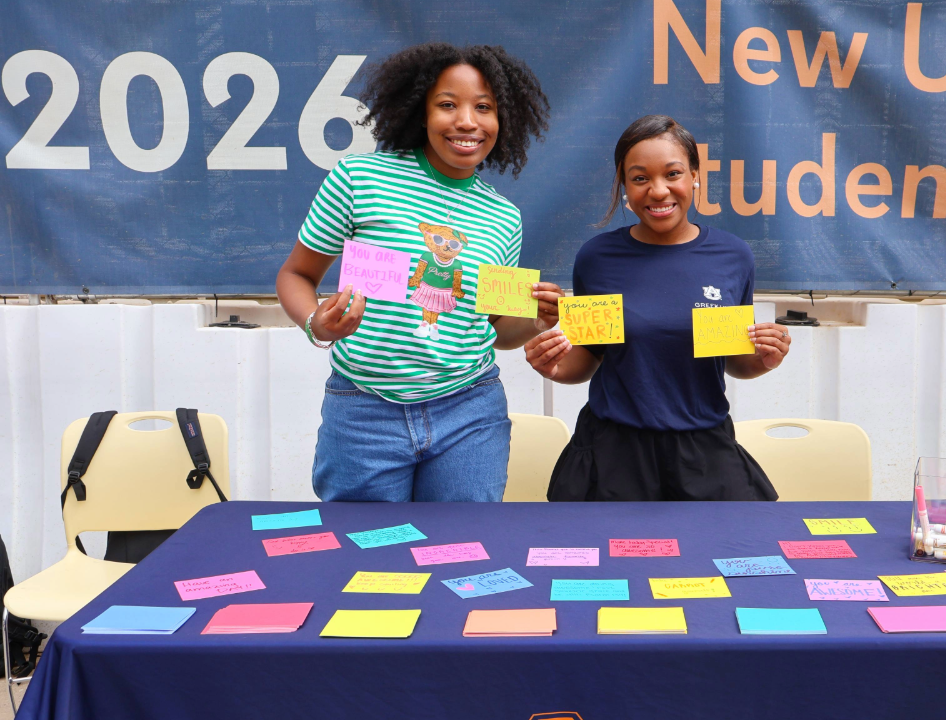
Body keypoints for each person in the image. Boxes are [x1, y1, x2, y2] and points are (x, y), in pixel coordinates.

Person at [276, 43, 560, 502]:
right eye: (447, 105)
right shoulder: (359, 179)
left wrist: (536, 320)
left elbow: (496, 329)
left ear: (503, 119)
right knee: (363, 543)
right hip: (363, 409)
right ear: (420, 113)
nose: (466, 121)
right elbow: (295, 276)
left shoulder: (504, 217)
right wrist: (316, 323)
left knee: (464, 545)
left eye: (483, 107)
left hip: (470, 410)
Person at [524, 115, 792, 501]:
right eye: (640, 178)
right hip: (613, 454)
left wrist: (766, 358)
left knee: (733, 539)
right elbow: (589, 357)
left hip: (704, 452)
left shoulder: (732, 256)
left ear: (695, 176)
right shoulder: (597, 258)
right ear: (625, 185)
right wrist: (553, 366)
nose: (658, 191)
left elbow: (734, 360)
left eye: (673, 174)